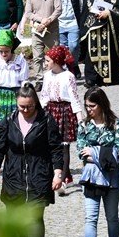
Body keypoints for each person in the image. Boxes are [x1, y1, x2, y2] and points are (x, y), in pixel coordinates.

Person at [0, 83, 64, 237]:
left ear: (35, 103)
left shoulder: (46, 120)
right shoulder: (9, 120)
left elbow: (56, 148)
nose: (25, 110)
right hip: (13, 176)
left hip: (39, 175)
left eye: (29, 106)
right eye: (21, 106)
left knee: (35, 219)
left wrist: (58, 173)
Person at [77, 88, 119, 237]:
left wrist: (93, 152)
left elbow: (118, 153)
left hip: (112, 178)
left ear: (102, 104)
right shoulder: (83, 125)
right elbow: (81, 153)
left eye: (92, 106)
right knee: (90, 217)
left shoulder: (116, 125)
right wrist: (102, 154)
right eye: (86, 106)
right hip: (91, 178)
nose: (88, 109)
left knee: (112, 216)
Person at [39, 48, 84, 190]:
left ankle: (63, 178)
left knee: (64, 146)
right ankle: (67, 175)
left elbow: (74, 97)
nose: (45, 63)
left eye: (48, 61)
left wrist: (80, 118)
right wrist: (39, 113)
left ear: (56, 61)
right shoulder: (47, 76)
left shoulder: (68, 76)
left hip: (64, 111)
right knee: (52, 144)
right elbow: (44, 95)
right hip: (51, 111)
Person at [80, 0, 119, 87]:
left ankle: (110, 78)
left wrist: (109, 13)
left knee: (110, 53)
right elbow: (85, 16)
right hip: (93, 33)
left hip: (109, 32)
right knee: (91, 54)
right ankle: (91, 79)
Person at [0, 29, 29, 134]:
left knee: (16, 130)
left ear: (11, 48)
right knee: (0, 131)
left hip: (15, 97)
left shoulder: (20, 61)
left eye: (6, 51)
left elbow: (24, 84)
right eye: (1, 51)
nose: (3, 54)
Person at [20, 0, 62, 87]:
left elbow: (58, 10)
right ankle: (39, 80)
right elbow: (28, 13)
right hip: (37, 31)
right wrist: (41, 19)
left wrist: (48, 20)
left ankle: (57, 76)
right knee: (37, 57)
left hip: (51, 30)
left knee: (55, 55)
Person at [53, 0, 84, 78]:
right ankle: (67, 68)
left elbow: (81, 2)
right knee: (63, 47)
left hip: (73, 21)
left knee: (74, 46)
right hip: (60, 23)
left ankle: (74, 64)